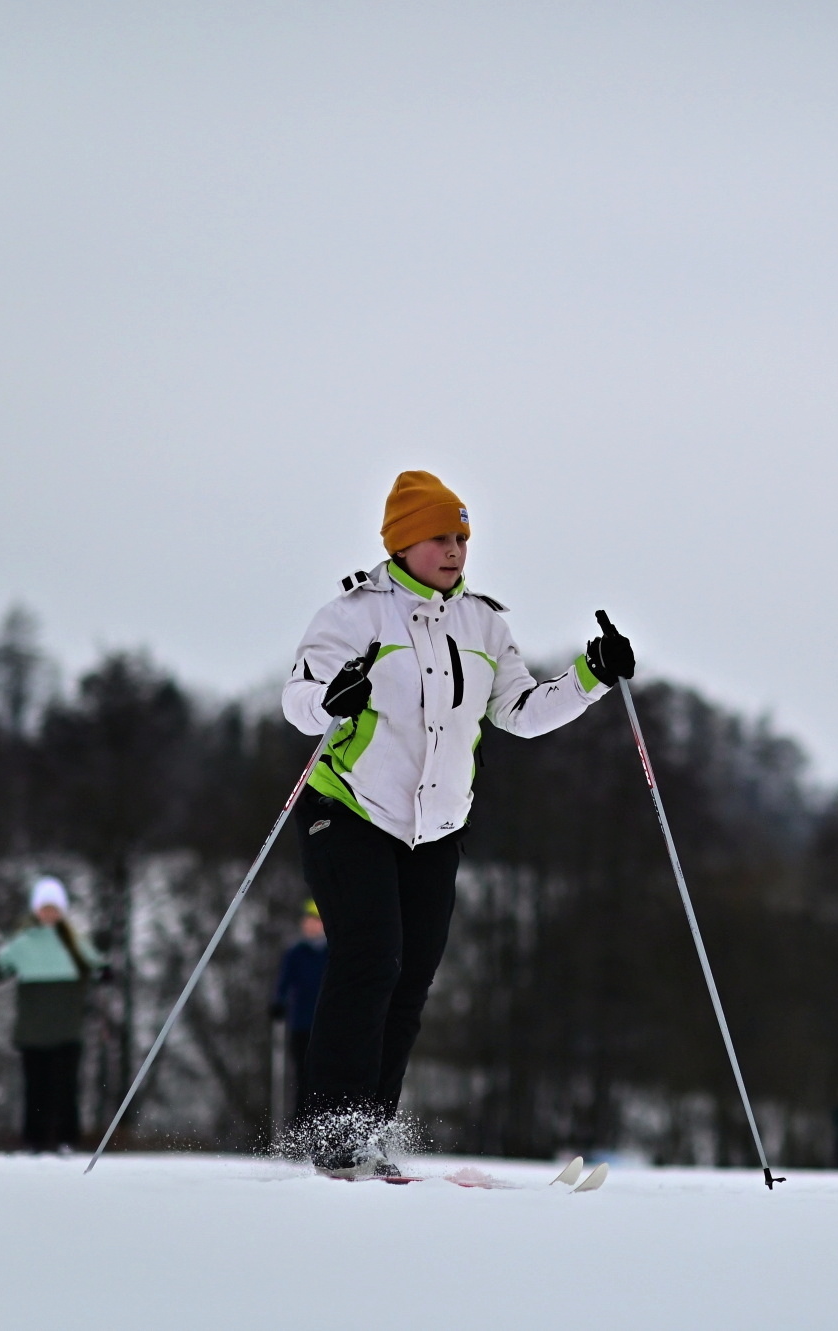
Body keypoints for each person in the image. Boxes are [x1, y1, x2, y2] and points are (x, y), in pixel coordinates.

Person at [281, 470, 634, 1176]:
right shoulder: (355, 615)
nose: (454, 551)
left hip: (436, 828)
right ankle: (333, 1134)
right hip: (348, 808)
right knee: (370, 959)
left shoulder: (484, 624)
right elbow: (300, 700)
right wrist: (332, 699)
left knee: (410, 978)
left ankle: (369, 1131)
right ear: (402, 543)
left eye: (462, 538)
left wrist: (591, 677)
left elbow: (520, 712)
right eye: (440, 537)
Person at [0, 877, 107, 1152]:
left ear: (61, 910)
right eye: (44, 908)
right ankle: (34, 1141)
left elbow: (98, 967)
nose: (49, 914)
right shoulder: (23, 943)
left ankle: (66, 1140)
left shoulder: (75, 941)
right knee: (35, 1088)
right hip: (32, 1031)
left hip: (67, 1029)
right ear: (36, 910)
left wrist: (104, 970)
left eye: (54, 908)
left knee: (65, 1087)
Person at [270, 900, 330, 1130]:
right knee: (303, 1078)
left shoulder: (332, 953)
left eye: (316, 921)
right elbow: (284, 983)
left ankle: (325, 1127)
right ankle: (301, 1129)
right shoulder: (296, 953)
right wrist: (278, 1002)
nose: (311, 925)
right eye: (308, 920)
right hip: (302, 1025)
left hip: (328, 1026)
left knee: (327, 1078)